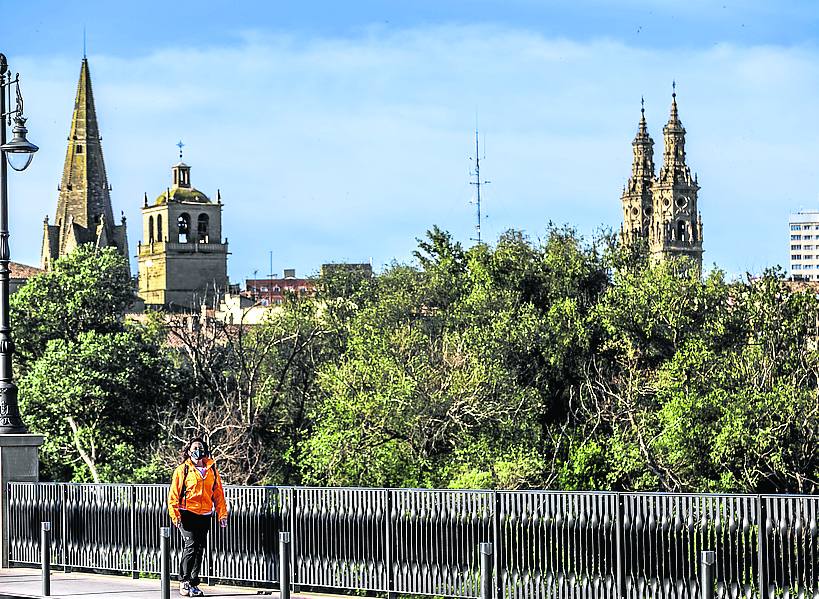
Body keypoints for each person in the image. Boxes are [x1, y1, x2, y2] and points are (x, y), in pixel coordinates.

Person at [167, 438, 228, 597]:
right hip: (187, 512)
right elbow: (173, 495)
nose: (198, 450)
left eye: (200, 448)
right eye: (194, 448)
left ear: (205, 450)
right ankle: (184, 581)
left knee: (200, 549)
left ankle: (194, 583)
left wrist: (222, 514)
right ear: (188, 451)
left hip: (205, 513)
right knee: (191, 546)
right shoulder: (182, 470)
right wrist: (175, 515)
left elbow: (218, 493)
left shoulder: (211, 469)